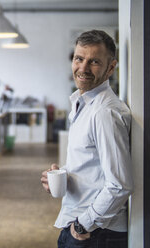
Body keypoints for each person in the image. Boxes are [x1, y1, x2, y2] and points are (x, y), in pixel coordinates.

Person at [41, 30, 133, 248]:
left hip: (95, 233)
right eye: (79, 59)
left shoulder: (104, 113)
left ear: (111, 67)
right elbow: (93, 164)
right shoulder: (83, 103)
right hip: (86, 226)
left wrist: (82, 226)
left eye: (94, 62)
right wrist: (64, 173)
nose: (82, 68)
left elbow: (120, 184)